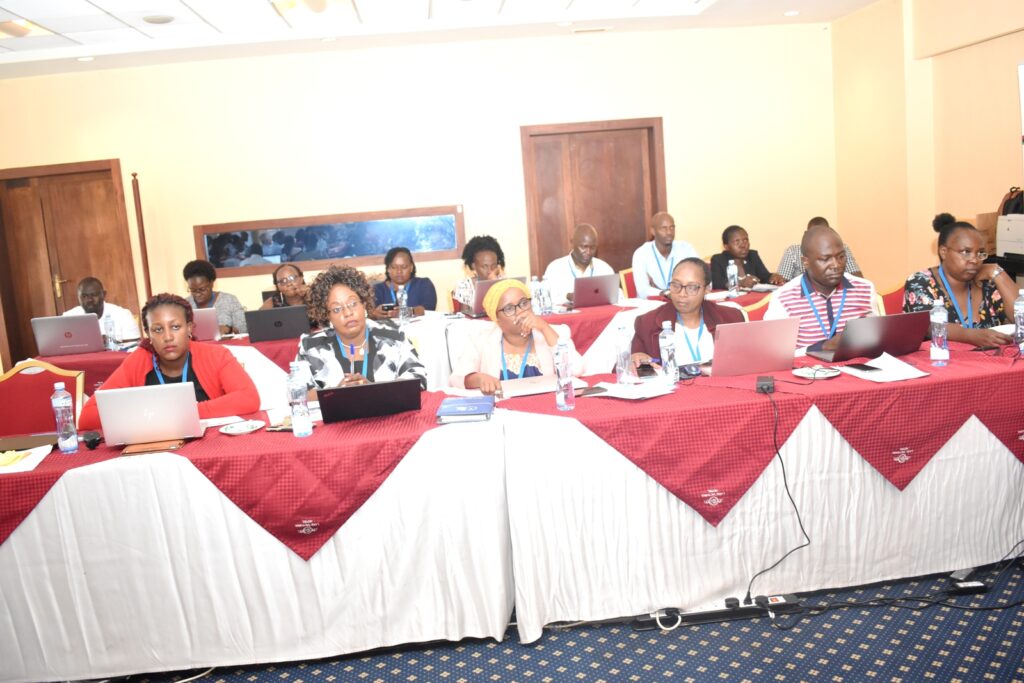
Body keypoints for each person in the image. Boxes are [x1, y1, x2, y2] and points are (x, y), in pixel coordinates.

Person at [77, 293, 259, 430]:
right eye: (157, 330)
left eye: (175, 327)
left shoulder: (216, 355)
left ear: (189, 328)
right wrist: (155, 415)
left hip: (212, 443)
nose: (168, 337)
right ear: (148, 334)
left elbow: (249, 398)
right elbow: (87, 416)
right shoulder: (138, 360)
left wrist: (185, 412)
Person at [295, 265, 426, 394]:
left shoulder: (393, 336)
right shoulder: (311, 346)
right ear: (326, 315)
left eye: (352, 304)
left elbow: (419, 379)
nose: (347, 313)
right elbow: (296, 391)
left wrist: (373, 390)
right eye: (337, 309)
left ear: (364, 304)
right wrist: (335, 393)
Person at [903, 213, 1019, 347]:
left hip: (991, 363)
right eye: (966, 252)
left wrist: (997, 272)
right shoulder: (920, 282)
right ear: (944, 252)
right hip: (940, 363)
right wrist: (971, 336)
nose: (975, 260)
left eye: (980, 253)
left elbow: (1021, 318)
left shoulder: (987, 283)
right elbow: (928, 327)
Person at [450, 279, 583, 395]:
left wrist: (544, 328)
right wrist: (478, 379)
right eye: (509, 308)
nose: (520, 312)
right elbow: (456, 378)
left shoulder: (553, 333)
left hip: (548, 409)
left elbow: (577, 369)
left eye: (524, 303)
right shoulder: (481, 339)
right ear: (497, 319)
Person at [764, 224, 878, 350]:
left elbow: (876, 341)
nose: (836, 265)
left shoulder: (865, 289)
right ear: (805, 262)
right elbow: (773, 353)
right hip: (807, 369)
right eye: (825, 259)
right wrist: (822, 347)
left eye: (841, 257)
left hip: (859, 367)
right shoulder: (783, 298)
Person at [631, 258, 745, 368]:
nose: (682, 294)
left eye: (691, 287)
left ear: (707, 289)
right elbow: (628, 366)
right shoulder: (647, 323)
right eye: (676, 285)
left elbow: (747, 362)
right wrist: (636, 360)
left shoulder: (732, 318)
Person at [541, 223, 615, 305]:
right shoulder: (555, 268)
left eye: (593, 247)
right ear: (572, 243)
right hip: (569, 317)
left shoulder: (604, 268)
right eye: (584, 247)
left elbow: (617, 296)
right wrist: (567, 297)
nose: (588, 252)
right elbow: (545, 298)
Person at [630, 212, 698, 298]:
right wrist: (664, 293)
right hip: (652, 305)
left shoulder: (686, 249)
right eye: (664, 228)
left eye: (672, 227)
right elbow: (642, 290)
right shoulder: (641, 253)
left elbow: (703, 279)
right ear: (653, 231)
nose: (669, 232)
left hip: (683, 301)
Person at [776, 217, 863, 281]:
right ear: (806, 234)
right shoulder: (792, 252)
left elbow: (857, 277)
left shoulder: (841, 249)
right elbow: (781, 282)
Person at [63, 276, 139, 341]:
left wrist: (110, 342)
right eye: (84, 296)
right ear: (78, 297)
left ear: (104, 295)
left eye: (94, 295)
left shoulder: (123, 315)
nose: (90, 300)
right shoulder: (68, 318)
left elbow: (134, 347)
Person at [183, 259, 247, 335]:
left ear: (211, 283)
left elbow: (244, 330)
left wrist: (229, 329)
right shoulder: (184, 305)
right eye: (192, 290)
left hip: (225, 345)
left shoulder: (229, 300)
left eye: (202, 289)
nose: (197, 294)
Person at [710, 226, 785, 290]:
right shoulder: (718, 259)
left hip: (753, 299)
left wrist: (772, 277)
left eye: (745, 240)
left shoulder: (753, 255)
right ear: (726, 246)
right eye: (737, 242)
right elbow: (717, 283)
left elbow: (764, 276)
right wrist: (740, 283)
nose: (743, 245)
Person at [371, 247, 438, 318]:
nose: (399, 271)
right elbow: (368, 313)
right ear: (388, 269)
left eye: (404, 267)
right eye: (394, 267)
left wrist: (407, 312)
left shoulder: (424, 284)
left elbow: (428, 310)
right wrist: (374, 313)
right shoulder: (377, 289)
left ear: (411, 267)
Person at [453, 235, 505, 313]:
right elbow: (464, 317)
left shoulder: (503, 282)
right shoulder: (465, 286)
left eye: (493, 266)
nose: (490, 270)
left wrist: (496, 284)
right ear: (474, 266)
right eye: (485, 266)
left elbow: (507, 309)